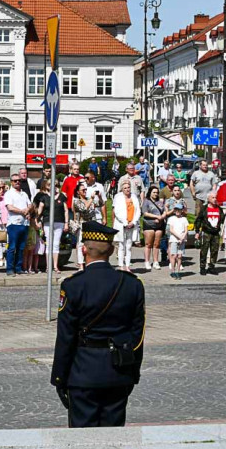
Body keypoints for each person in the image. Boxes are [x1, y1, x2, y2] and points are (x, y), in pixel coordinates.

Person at [51, 221, 145, 428]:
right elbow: (137, 336)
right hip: (118, 372)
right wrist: (132, 373)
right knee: (113, 442)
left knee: (82, 444)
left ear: (83, 250)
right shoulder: (132, 284)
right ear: (111, 250)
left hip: (83, 373)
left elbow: (66, 336)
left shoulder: (73, 285)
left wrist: (59, 377)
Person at [3, 176, 32, 276]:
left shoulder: (24, 193)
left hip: (24, 223)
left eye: (19, 181)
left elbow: (30, 204)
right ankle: (10, 269)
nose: (17, 182)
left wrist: (27, 211)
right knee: (12, 247)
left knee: (21, 247)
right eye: (15, 181)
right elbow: (10, 207)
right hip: (14, 224)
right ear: (11, 182)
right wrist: (22, 211)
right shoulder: (9, 194)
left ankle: (18, 267)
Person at [112, 178, 140, 272]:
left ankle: (127, 265)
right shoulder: (118, 197)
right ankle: (121, 265)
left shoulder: (134, 197)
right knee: (121, 245)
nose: (127, 189)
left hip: (132, 223)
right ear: (122, 189)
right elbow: (117, 211)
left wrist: (133, 222)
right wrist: (125, 222)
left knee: (129, 245)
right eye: (125, 188)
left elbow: (138, 211)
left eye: (128, 187)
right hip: (121, 224)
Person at [194, 189, 223, 276]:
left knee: (214, 250)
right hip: (206, 232)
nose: (215, 199)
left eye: (216, 197)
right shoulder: (204, 208)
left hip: (216, 233)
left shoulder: (219, 209)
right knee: (204, 250)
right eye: (213, 197)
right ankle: (202, 267)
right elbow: (198, 220)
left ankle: (212, 267)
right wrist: (197, 231)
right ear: (209, 198)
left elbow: (223, 220)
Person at [141, 186, 165, 271]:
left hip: (159, 225)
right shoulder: (146, 201)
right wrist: (156, 216)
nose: (155, 194)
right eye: (154, 192)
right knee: (148, 244)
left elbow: (164, 211)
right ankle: (147, 261)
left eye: (157, 192)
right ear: (150, 192)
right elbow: (145, 213)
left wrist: (161, 217)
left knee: (157, 244)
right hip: (149, 224)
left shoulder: (160, 202)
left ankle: (155, 261)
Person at [166, 202, 189, 279]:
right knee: (173, 255)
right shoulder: (171, 219)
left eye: (179, 209)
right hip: (174, 239)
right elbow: (171, 230)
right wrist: (179, 237)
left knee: (179, 256)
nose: (177, 211)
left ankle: (178, 271)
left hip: (182, 239)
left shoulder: (184, 219)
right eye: (176, 209)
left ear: (182, 210)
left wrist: (182, 238)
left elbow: (186, 229)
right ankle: (173, 271)